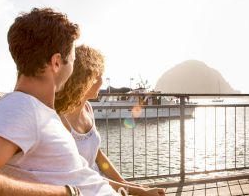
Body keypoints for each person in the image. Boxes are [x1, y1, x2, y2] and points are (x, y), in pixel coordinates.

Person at [0, 8, 119, 196]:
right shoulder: (21, 107)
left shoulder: (37, 110)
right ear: (56, 62)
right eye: (72, 59)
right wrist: (64, 193)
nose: (72, 67)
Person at [55, 45, 166, 196]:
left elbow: (98, 156)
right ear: (82, 79)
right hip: (84, 189)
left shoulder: (88, 108)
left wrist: (124, 183)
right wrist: (138, 191)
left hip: (99, 187)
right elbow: (86, 178)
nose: (101, 82)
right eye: (97, 77)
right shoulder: (61, 120)